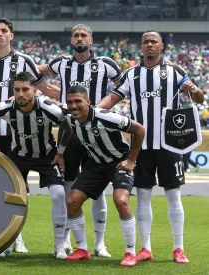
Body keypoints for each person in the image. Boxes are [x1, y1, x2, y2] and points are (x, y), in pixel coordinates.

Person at [97, 30, 205, 264]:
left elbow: (199, 99)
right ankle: (145, 248)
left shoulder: (175, 71)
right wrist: (95, 110)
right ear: (141, 46)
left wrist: (194, 90)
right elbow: (114, 97)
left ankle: (179, 248)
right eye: (145, 42)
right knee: (143, 197)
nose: (149, 45)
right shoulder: (132, 74)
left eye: (153, 41)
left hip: (170, 144)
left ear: (161, 46)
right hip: (141, 146)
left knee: (174, 196)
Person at [0, 17, 59, 253]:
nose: (0, 34)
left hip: (16, 135)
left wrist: (73, 100)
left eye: (4, 30)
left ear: (11, 35)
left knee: (16, 188)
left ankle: (17, 237)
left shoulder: (24, 61)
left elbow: (43, 90)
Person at [38, 24, 123, 257]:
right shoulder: (61, 63)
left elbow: (124, 85)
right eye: (75, 35)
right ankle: (65, 239)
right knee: (69, 186)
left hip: (98, 133)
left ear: (91, 40)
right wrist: (50, 92)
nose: (79, 38)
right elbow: (37, 73)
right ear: (71, 39)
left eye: (83, 35)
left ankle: (100, 243)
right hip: (70, 132)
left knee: (99, 190)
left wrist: (101, 108)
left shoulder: (106, 64)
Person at [0, 72, 73, 259]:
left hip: (46, 156)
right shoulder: (7, 107)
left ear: (35, 90)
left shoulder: (49, 108)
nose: (20, 94)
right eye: (17, 90)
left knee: (59, 194)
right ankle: (9, 242)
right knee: (11, 197)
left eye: (25, 89)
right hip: (18, 157)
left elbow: (68, 126)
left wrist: (61, 152)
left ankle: (59, 245)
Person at [63, 85, 145, 266]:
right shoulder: (71, 119)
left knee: (121, 200)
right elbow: (66, 131)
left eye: (78, 101)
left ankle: (130, 252)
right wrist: (60, 153)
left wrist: (131, 161)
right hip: (96, 164)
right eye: (69, 102)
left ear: (88, 102)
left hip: (119, 162)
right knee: (72, 201)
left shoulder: (105, 117)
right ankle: (82, 249)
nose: (73, 105)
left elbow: (139, 129)